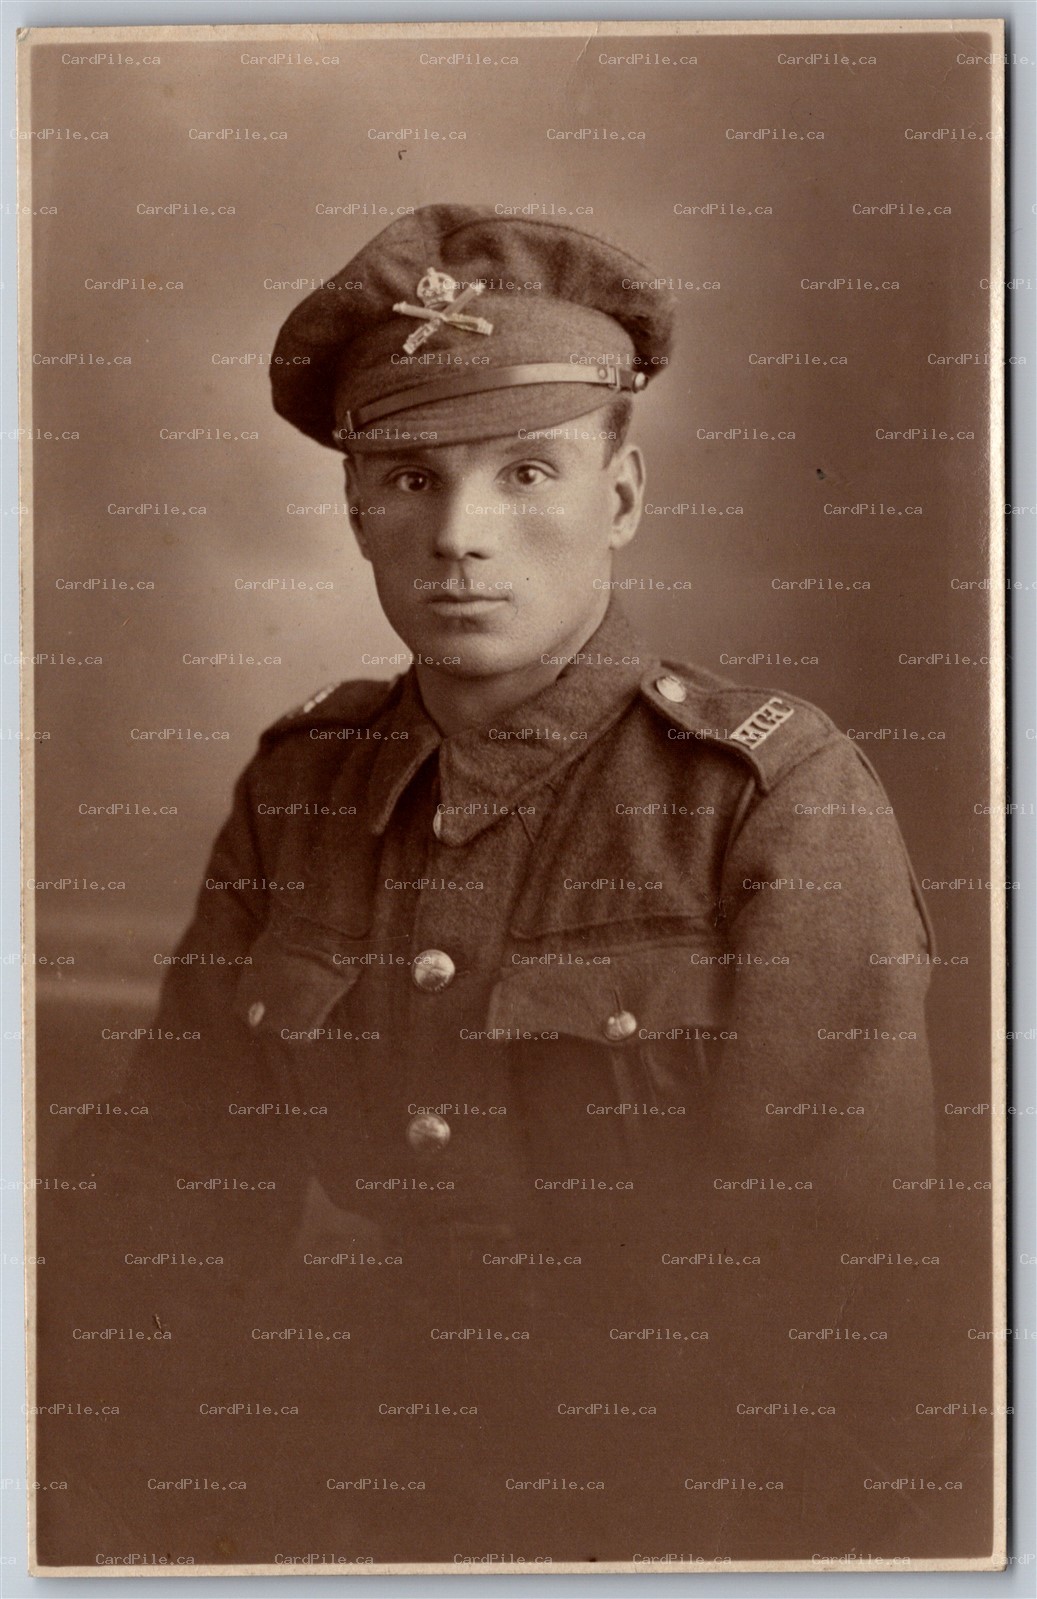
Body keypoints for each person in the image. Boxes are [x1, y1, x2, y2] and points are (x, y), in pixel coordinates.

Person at [38, 205, 938, 1566]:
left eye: (525, 473)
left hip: (668, 1514)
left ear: (618, 498)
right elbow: (177, 1194)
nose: (459, 534)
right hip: (325, 1498)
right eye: (408, 478)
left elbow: (835, 1287)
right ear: (353, 509)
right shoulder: (302, 787)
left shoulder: (765, 799)